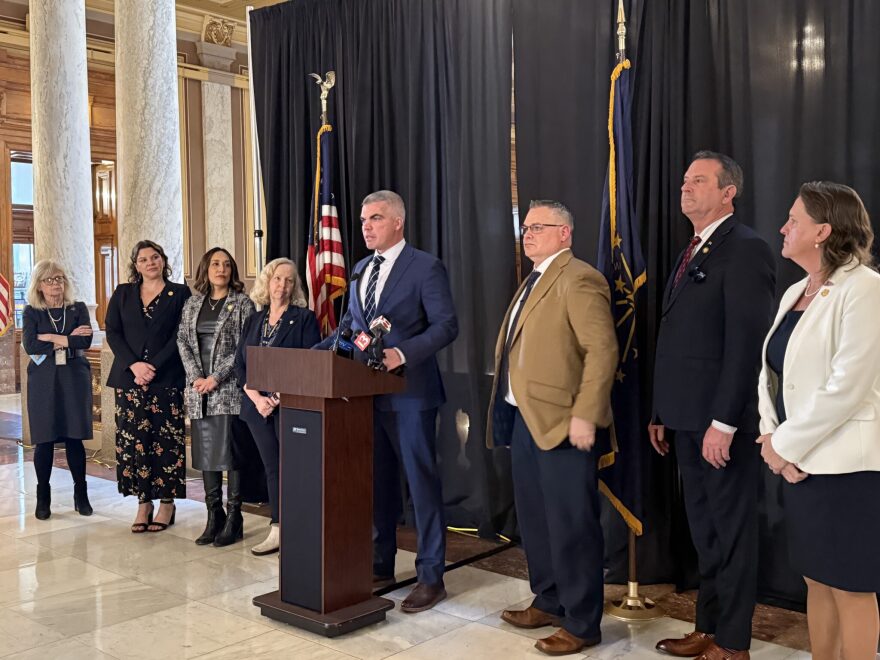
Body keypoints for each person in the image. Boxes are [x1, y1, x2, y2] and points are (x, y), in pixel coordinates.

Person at [649, 151, 776, 660]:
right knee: (705, 532)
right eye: (685, 179)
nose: (685, 187)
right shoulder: (693, 249)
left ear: (728, 192)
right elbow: (679, 339)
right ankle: (707, 627)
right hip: (685, 419)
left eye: (698, 180)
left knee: (732, 532)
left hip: (722, 425)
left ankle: (733, 642)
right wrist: (661, 412)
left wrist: (723, 421)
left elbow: (746, 344)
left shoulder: (745, 249)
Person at [485, 200, 617, 656]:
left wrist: (586, 413)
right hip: (525, 420)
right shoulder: (534, 279)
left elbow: (602, 350)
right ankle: (549, 599)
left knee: (571, 524)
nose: (528, 234)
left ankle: (581, 623)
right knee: (537, 520)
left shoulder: (579, 277)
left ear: (565, 233)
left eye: (538, 227)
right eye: (525, 227)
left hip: (564, 422)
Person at [316, 190, 458, 613]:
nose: (366, 226)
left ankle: (430, 576)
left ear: (398, 221)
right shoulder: (361, 269)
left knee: (420, 484)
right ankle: (380, 564)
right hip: (366, 396)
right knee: (376, 484)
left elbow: (446, 325)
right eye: (363, 220)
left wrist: (403, 353)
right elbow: (349, 330)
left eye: (375, 218)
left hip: (411, 395)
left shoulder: (425, 266)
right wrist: (307, 356)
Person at [756, 182, 880, 660]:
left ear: (823, 231)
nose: (783, 228)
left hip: (847, 467)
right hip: (799, 464)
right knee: (816, 578)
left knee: (850, 585)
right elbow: (770, 373)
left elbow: (847, 387)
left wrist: (783, 445)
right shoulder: (795, 291)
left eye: (794, 220)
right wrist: (770, 436)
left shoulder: (863, 288)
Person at [235, 258, 320, 555]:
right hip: (257, 408)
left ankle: (303, 529)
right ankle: (278, 528)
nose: (282, 285)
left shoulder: (304, 318)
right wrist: (258, 399)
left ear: (294, 286)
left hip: (290, 405)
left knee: (296, 468)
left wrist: (279, 396)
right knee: (272, 468)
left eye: (288, 280)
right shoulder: (254, 320)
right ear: (267, 282)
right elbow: (240, 365)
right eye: (277, 279)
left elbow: (309, 362)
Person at [105, 240, 191, 533]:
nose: (150, 263)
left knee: (166, 442)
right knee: (135, 442)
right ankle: (144, 503)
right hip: (129, 380)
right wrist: (134, 365)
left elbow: (181, 335)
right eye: (143, 259)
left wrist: (152, 366)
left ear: (163, 260)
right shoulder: (123, 293)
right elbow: (113, 332)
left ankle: (167, 503)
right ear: (136, 265)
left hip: (165, 379)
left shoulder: (180, 293)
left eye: (155, 257)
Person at [177, 248, 255, 546]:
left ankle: (234, 517)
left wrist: (215, 378)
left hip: (228, 389)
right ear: (206, 269)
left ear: (232, 270)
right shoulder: (192, 303)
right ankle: (214, 515)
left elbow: (243, 346)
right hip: (199, 391)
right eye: (215, 264)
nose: (220, 269)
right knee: (205, 453)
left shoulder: (242, 303)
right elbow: (182, 340)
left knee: (231, 454)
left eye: (226, 264)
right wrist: (196, 377)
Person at [21, 260, 94, 520]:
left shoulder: (77, 308)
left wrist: (50, 337)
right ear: (39, 285)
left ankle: (81, 494)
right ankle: (43, 497)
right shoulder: (32, 312)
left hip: (74, 376)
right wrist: (66, 338)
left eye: (59, 278)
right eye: (49, 280)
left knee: (75, 436)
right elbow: (31, 345)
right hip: (43, 379)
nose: (56, 284)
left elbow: (85, 341)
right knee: (45, 438)